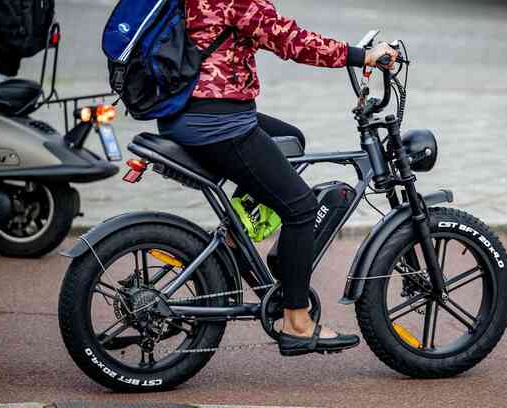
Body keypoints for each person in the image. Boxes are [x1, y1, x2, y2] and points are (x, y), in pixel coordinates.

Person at [157, 0, 398, 356]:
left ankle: (237, 238)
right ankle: (297, 322)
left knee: (291, 141)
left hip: (187, 110)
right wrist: (361, 56)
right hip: (218, 121)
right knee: (301, 208)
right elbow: (290, 40)